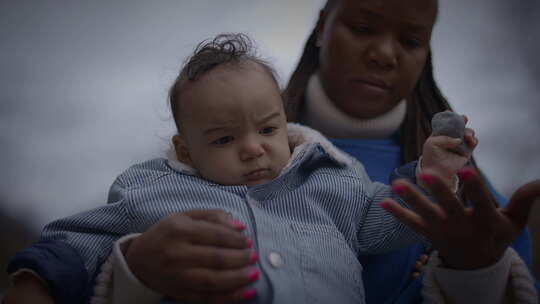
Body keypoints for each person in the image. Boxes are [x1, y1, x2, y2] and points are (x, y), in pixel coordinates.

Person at [5, 32, 505, 304]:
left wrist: (431, 172)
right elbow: (81, 238)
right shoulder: (150, 191)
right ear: (184, 150)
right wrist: (35, 280)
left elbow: (386, 219)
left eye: (267, 130)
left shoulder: (330, 180)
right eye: (224, 138)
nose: (253, 149)